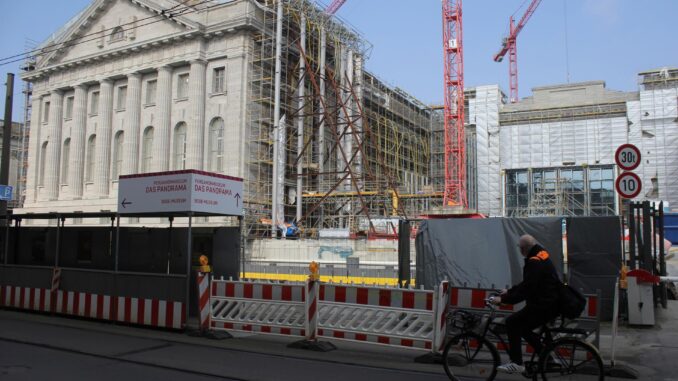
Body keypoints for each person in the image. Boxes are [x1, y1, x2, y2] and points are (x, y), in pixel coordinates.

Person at [489, 234, 561, 374]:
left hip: (543, 305)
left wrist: (503, 300)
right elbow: (527, 284)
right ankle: (548, 358)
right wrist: (509, 291)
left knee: (512, 322)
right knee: (524, 329)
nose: (520, 251)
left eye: (520, 248)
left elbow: (527, 289)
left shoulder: (534, 262)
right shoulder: (540, 256)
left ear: (524, 249)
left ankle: (517, 362)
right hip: (549, 304)